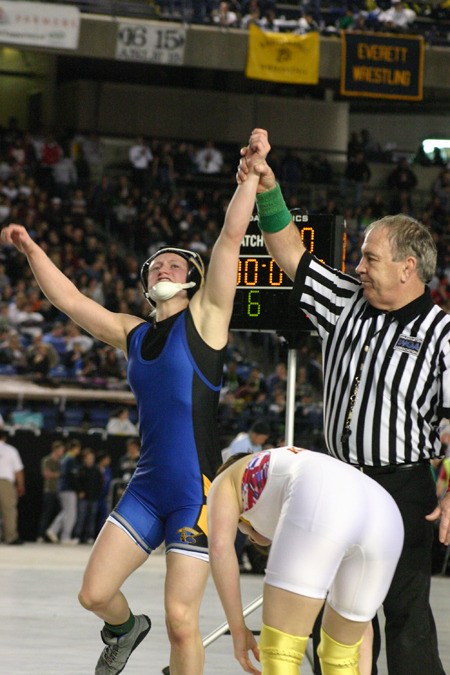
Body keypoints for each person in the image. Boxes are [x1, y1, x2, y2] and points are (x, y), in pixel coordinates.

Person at [0, 143, 266, 674]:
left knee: (181, 619)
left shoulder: (208, 318)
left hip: (195, 491)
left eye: (175, 261)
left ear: (192, 278)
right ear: (146, 283)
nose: (164, 265)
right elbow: (71, 302)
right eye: (156, 264)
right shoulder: (132, 332)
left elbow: (230, 238)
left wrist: (251, 178)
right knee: (94, 594)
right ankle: (125, 629)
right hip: (146, 487)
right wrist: (31, 251)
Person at [238, 129, 450, 674]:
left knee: (404, 613)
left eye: (370, 258)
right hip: (337, 479)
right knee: (337, 609)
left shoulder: (441, 331)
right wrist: (268, 185)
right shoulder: (343, 299)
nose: (358, 266)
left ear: (409, 267)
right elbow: (289, 252)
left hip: (403, 484)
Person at [207, 446, 404, 674]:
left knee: (280, 652)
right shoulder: (286, 465)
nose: (247, 535)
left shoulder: (226, 479)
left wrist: (238, 629)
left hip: (321, 496)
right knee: (341, 655)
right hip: (385, 512)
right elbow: (364, 633)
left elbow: (220, 548)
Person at [45, 438, 81, 545]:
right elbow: (71, 476)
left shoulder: (65, 458)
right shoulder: (70, 459)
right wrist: (78, 489)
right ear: (76, 448)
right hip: (68, 489)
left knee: (66, 512)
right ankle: (65, 537)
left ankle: (53, 530)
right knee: (71, 514)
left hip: (62, 488)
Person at [37, 439, 65, 542]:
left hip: (60, 491)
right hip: (49, 491)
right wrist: (59, 474)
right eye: (61, 450)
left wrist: (55, 474)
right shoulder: (47, 460)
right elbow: (46, 474)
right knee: (47, 514)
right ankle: (40, 536)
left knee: (61, 514)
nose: (62, 452)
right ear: (55, 450)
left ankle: (56, 535)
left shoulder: (62, 462)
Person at [0, 429, 25, 544]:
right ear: (4, 438)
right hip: (5, 483)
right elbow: (18, 470)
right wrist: (20, 485)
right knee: (9, 510)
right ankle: (10, 537)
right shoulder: (11, 450)